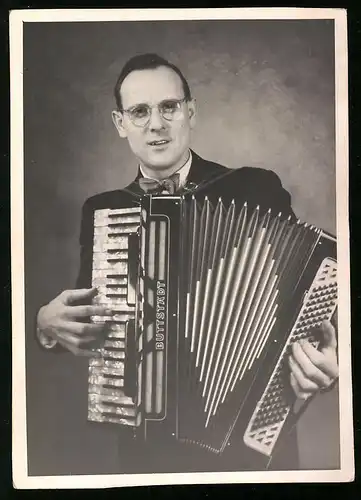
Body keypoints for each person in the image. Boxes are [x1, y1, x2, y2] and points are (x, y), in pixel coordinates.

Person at [35, 53, 339, 473]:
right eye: (139, 112)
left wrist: (324, 361)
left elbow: (301, 303)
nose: (155, 124)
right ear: (119, 123)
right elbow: (88, 322)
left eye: (169, 107)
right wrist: (46, 326)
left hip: (251, 443)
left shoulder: (255, 186)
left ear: (190, 111)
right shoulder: (105, 211)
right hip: (149, 453)